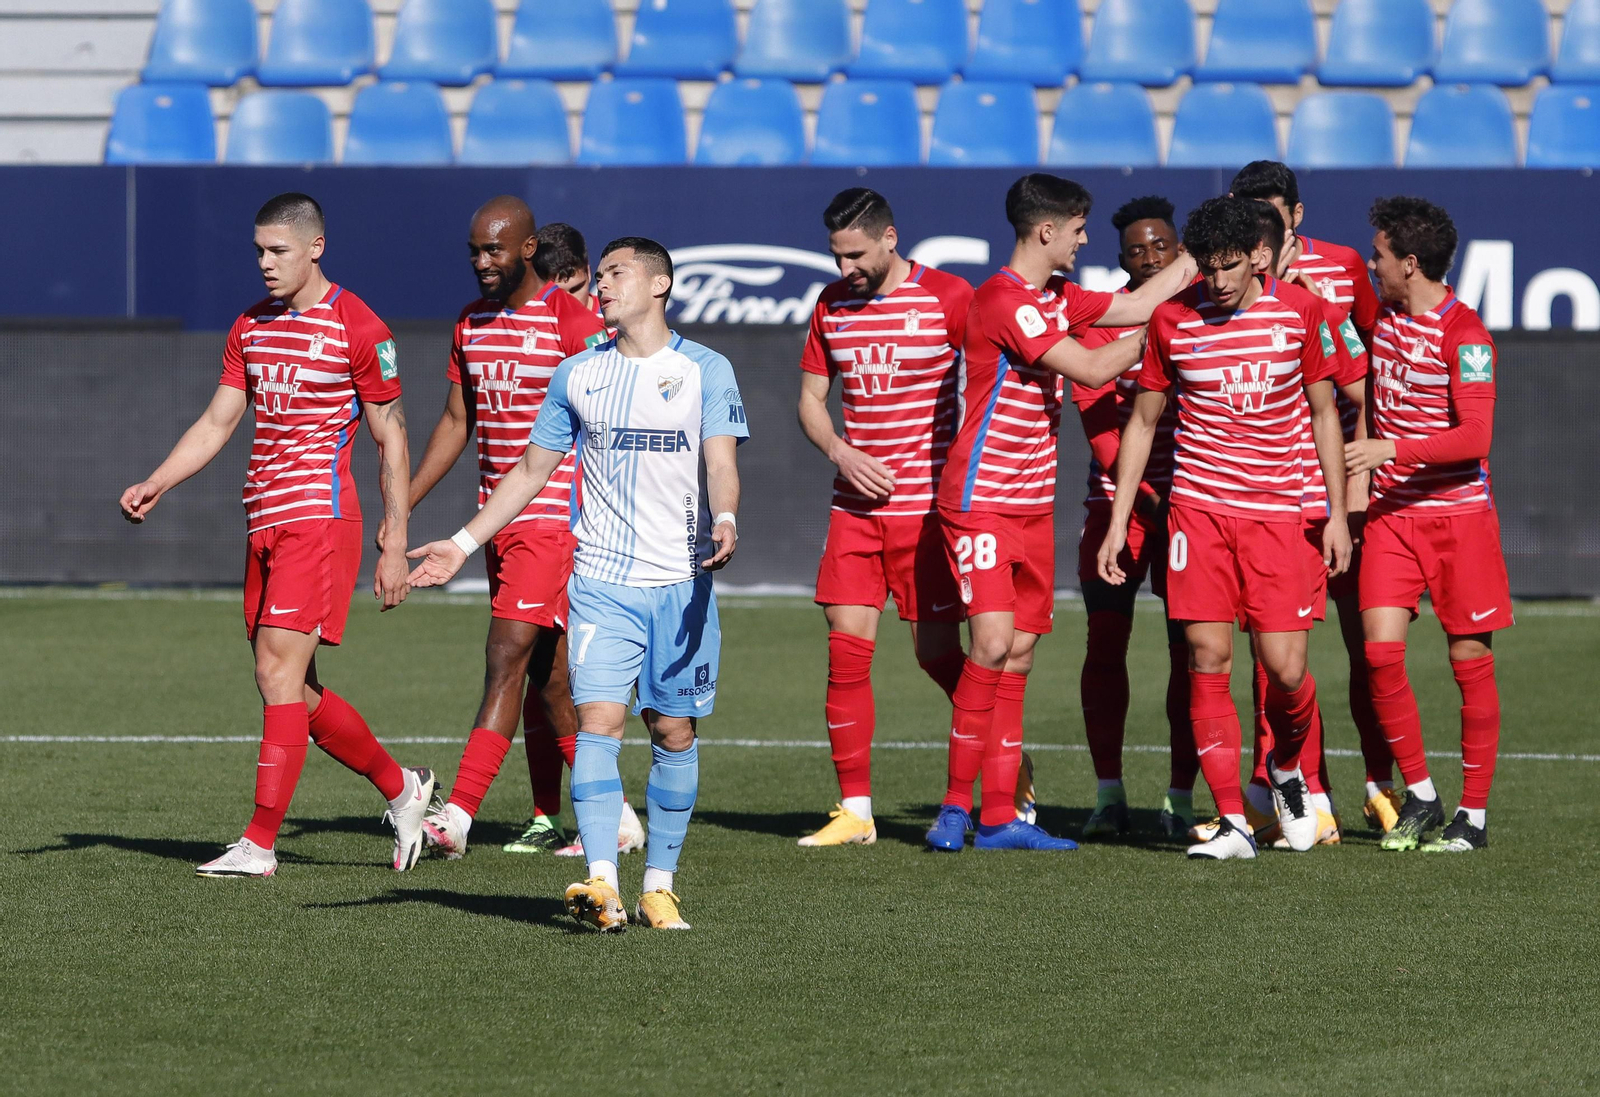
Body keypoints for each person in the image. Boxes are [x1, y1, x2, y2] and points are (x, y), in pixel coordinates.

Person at [407, 237, 747, 930]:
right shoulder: (576, 375)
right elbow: (531, 472)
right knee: (597, 723)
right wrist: (463, 542)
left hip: (679, 582)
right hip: (600, 582)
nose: (604, 284)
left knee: (673, 731)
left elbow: (720, 460)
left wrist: (729, 516)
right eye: (604, 274)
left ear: (660, 285)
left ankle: (660, 884)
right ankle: (601, 882)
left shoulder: (705, 369)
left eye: (620, 272)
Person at [119, 193, 433, 878]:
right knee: (297, 689)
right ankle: (404, 789)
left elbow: (393, 436)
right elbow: (216, 422)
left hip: (318, 521)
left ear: (315, 247)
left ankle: (259, 844)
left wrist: (394, 538)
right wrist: (158, 480)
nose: (264, 264)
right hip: (263, 521)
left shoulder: (359, 325)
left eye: (278, 250)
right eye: (259, 251)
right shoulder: (251, 326)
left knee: (275, 672)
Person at [927, 173, 1199, 853]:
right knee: (990, 645)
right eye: (1078, 229)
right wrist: (1166, 331)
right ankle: (955, 807)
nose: (1085, 240)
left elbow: (1136, 303)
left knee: (1017, 656)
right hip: (982, 500)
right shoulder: (1005, 302)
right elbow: (1094, 366)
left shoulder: (1056, 297)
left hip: (1029, 506)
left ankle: (998, 817)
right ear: (1047, 230)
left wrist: (1205, 257)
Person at [1098, 196, 1352, 861]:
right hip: (1198, 515)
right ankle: (1235, 822)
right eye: (1206, 267)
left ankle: (1289, 771)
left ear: (1260, 256)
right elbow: (1144, 422)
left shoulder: (1301, 313)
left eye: (1230, 266)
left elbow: (1326, 414)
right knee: (1206, 657)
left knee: (1286, 669)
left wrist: (1338, 514)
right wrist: (1118, 521)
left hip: (1278, 516)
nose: (1217, 280)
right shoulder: (1172, 320)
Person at [405, 197, 648, 860]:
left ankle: (455, 817)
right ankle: (620, 816)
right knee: (549, 679)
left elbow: (612, 421)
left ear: (529, 247)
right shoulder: (470, 322)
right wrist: (402, 501)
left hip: (553, 518)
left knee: (505, 654)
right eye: (475, 251)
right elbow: (458, 423)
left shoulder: (574, 322)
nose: (484, 263)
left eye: (496, 250)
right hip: (496, 521)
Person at [794, 188, 974, 847]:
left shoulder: (950, 297)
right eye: (837, 255)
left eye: (857, 253)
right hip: (855, 510)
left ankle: (1007, 758)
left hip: (927, 513)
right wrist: (841, 450)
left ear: (890, 238)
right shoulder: (832, 306)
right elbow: (811, 400)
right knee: (846, 654)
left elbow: (992, 377)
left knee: (936, 654)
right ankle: (855, 810)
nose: (846, 269)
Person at [1231, 161, 1398, 833]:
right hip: (1270, 494)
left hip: (1340, 490)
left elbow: (1373, 374)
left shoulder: (1342, 268)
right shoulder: (1227, 282)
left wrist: (1359, 479)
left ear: (1295, 216)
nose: (1259, 234)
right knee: (1273, 659)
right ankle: (1304, 795)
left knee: (1367, 649)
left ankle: (1381, 783)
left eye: (1270, 217)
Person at [1346, 196, 1512, 854]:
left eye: (1380, 255)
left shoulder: (1466, 334)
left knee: (1468, 659)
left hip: (1457, 520)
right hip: (1392, 517)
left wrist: (1392, 448)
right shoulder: (1379, 312)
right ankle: (1420, 794)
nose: (1371, 263)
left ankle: (1472, 814)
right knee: (1380, 651)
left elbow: (1477, 435)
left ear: (1409, 264)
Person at [1069, 195, 1198, 841]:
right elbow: (1099, 430)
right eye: (1136, 251)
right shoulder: (1100, 324)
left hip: (1193, 509)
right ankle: (1108, 793)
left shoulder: (1206, 311)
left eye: (1160, 247)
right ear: (1119, 261)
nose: (1149, 258)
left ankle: (1179, 798)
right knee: (1104, 643)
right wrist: (1144, 501)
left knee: (1192, 653)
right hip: (1120, 509)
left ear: (1180, 251)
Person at [534, 222, 603, 323]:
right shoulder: (525, 323)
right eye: (558, 293)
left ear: (588, 272)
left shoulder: (618, 322)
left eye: (576, 289)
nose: (570, 302)